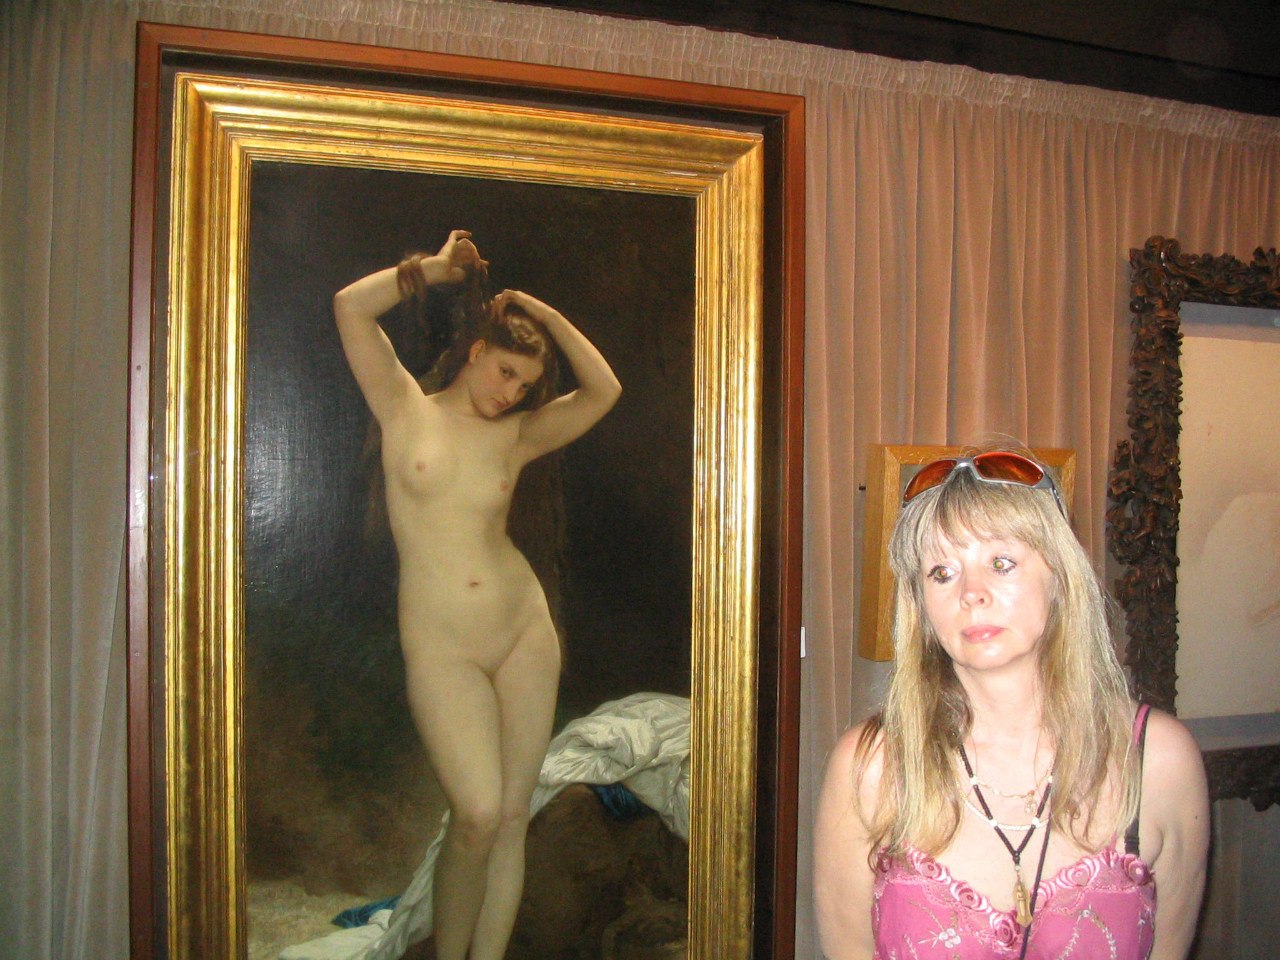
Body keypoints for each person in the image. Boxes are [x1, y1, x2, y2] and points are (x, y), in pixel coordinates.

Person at [333, 229, 621, 960]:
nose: (509, 393)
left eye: (524, 385)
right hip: (443, 645)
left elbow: (605, 390)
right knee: (477, 815)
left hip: (522, 630)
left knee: (513, 817)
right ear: (474, 352)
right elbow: (350, 307)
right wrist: (434, 270)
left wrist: (543, 315)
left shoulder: (517, 436)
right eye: (503, 371)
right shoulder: (403, 407)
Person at [815, 448, 1209, 959]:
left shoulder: (1159, 760)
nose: (971, 593)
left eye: (1001, 563)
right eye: (942, 572)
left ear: (1059, 577)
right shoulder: (870, 768)